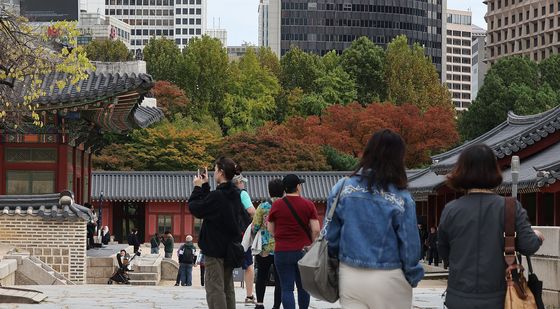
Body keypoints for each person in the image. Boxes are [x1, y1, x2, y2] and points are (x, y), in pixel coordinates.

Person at [326, 129, 424, 309]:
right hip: (390, 277)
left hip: (350, 275)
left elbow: (331, 236)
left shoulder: (343, 188)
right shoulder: (402, 197)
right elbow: (409, 246)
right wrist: (412, 275)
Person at [438, 144, 544, 309]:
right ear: (494, 170)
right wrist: (536, 235)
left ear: (462, 170)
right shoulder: (510, 207)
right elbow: (528, 246)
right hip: (500, 298)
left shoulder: (451, 210)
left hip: (459, 298)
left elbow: (444, 252)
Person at [189, 157, 249, 309]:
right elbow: (214, 205)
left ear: (221, 172)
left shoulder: (218, 196)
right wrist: (206, 186)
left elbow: (196, 208)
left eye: (215, 170)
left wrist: (197, 188)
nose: (214, 173)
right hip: (230, 248)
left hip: (214, 249)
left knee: (215, 288)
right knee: (227, 288)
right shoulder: (235, 194)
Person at [268, 174, 320, 309]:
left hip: (282, 251)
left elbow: (270, 228)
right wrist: (312, 245)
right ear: (297, 186)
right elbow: (316, 229)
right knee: (303, 287)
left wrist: (280, 238)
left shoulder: (277, 205)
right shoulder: (308, 204)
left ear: (285, 189)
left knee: (287, 288)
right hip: (303, 251)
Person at [253, 179, 283, 309]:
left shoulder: (263, 206)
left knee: (261, 276)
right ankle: (276, 306)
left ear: (269, 191)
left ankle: (260, 303)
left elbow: (255, 226)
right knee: (279, 279)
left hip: (264, 247)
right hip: (281, 247)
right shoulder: (285, 206)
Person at [233, 173, 256, 304]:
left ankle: (226, 292)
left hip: (227, 233)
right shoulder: (242, 194)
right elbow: (251, 211)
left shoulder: (223, 194)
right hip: (242, 234)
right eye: (242, 182)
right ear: (239, 183)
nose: (244, 184)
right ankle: (249, 295)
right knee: (248, 265)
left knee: (227, 264)